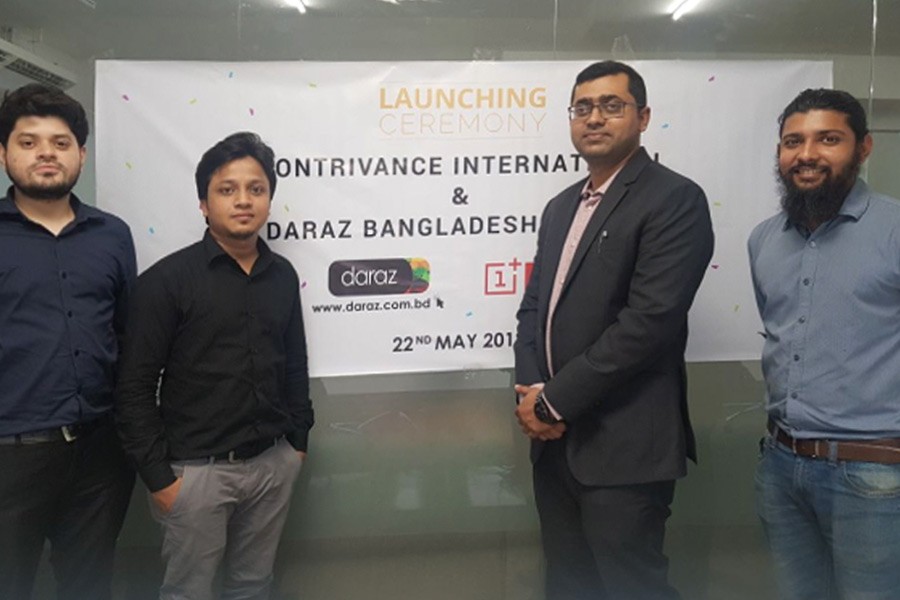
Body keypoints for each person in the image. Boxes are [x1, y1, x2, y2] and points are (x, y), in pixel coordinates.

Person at [513, 60, 714, 600]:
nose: (594, 118)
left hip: (625, 450)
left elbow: (649, 323)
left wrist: (552, 401)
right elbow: (533, 310)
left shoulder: (673, 199)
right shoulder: (560, 207)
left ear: (643, 117)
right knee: (567, 585)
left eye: (611, 105)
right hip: (555, 449)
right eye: (582, 107)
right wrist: (531, 394)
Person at [115, 131, 314, 600]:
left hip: (271, 464)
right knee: (188, 592)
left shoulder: (282, 276)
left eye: (256, 189)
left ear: (269, 201)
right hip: (195, 474)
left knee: (254, 585)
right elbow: (134, 388)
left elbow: (294, 363)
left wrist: (298, 444)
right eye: (227, 189)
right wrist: (161, 480)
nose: (243, 200)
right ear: (204, 204)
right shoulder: (165, 282)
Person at [749, 88, 900, 600]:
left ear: (864, 147)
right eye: (793, 141)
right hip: (780, 467)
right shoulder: (764, 239)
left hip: (874, 475)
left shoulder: (894, 230)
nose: (807, 154)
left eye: (828, 139)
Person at [0, 83, 136, 600]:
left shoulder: (113, 235)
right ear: (4, 154)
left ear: (81, 154)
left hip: (99, 456)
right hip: (10, 455)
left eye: (60, 143)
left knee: (89, 586)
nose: (46, 154)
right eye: (28, 142)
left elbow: (126, 335)